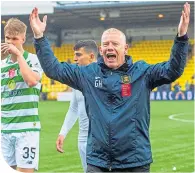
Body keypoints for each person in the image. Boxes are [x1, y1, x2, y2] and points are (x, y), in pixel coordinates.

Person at [29, 2, 190, 172]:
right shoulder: (88, 74)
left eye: (115, 44)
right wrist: (40, 38)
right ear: (100, 49)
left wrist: (181, 37)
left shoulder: (142, 73)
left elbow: (173, 70)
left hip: (134, 162)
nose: (110, 47)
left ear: (125, 48)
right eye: (106, 44)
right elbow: (55, 70)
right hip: (98, 162)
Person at [1, 18, 43, 173]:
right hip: (4, 129)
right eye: (7, 38)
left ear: (23, 39)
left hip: (26, 129)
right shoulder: (2, 64)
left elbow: (31, 81)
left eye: (15, 39)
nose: (10, 42)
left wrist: (18, 55)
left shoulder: (33, 59)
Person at [55, 40, 98, 172]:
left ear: (91, 56)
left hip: (101, 140)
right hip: (83, 139)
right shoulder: (77, 78)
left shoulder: (105, 76)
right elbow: (74, 108)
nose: (75, 59)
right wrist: (63, 133)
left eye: (78, 55)